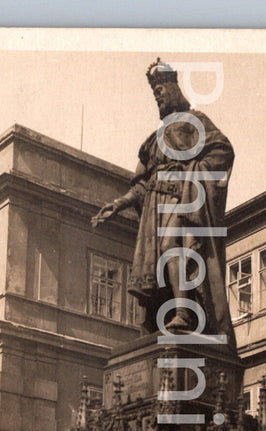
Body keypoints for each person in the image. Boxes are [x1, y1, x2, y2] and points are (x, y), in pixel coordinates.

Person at [91, 58, 235, 347]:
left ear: (175, 87)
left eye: (162, 88)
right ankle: (164, 316)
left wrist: (192, 180)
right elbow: (142, 184)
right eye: (154, 91)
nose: (158, 94)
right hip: (153, 210)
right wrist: (120, 203)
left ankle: (183, 312)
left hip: (180, 201)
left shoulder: (197, 121)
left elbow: (222, 152)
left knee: (173, 248)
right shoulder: (152, 141)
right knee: (154, 267)